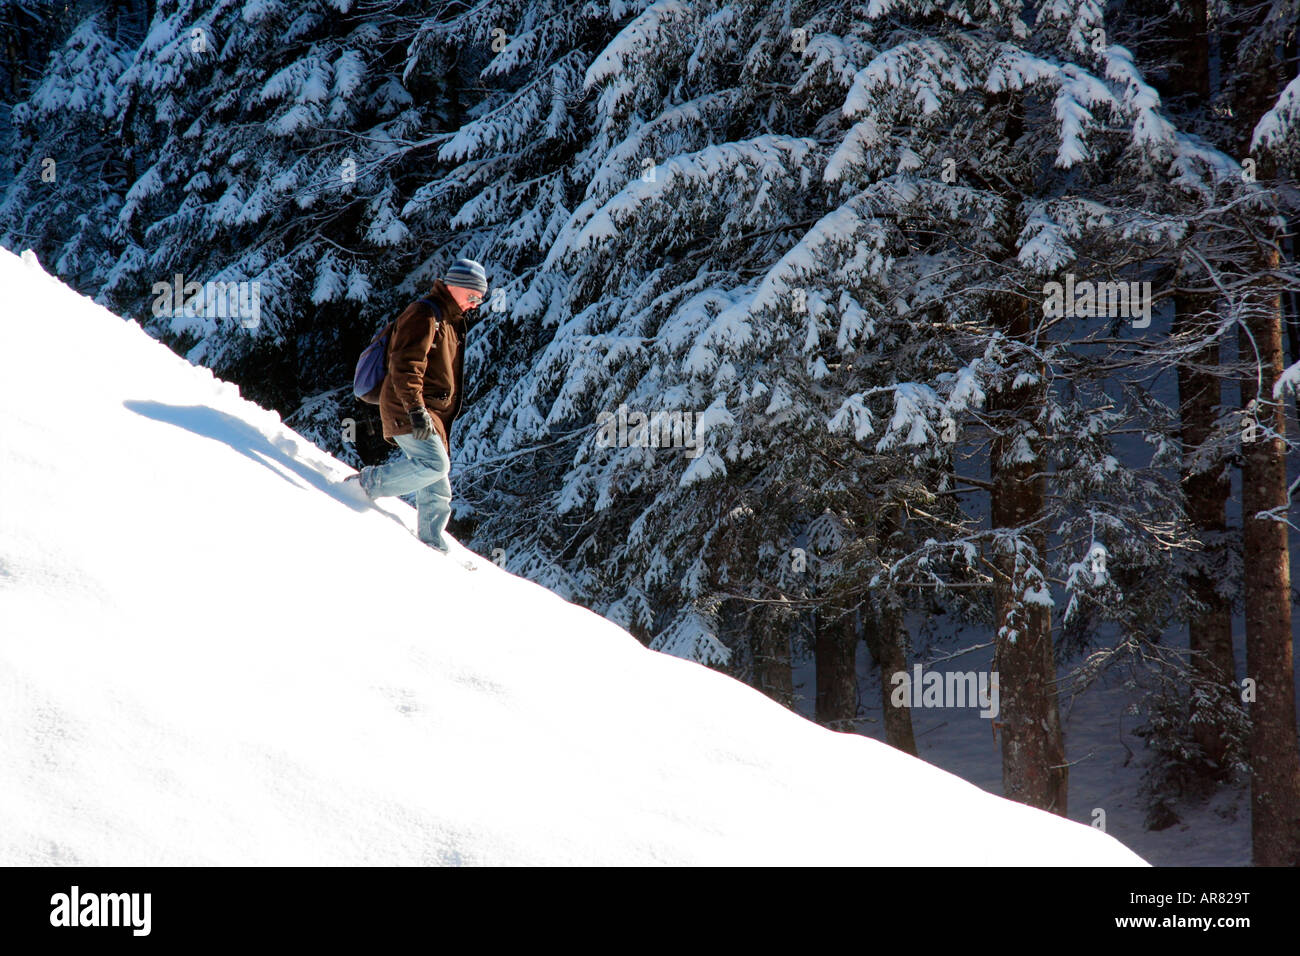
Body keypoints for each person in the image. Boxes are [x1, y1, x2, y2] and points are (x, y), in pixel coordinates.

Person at [346, 258, 487, 556]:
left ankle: (431, 543)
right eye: (473, 296)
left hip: (428, 412)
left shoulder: (449, 320)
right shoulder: (425, 313)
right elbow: (405, 366)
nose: (475, 304)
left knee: (438, 484)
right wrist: (415, 409)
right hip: (406, 405)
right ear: (455, 286)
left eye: (480, 300)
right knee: (435, 465)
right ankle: (367, 484)